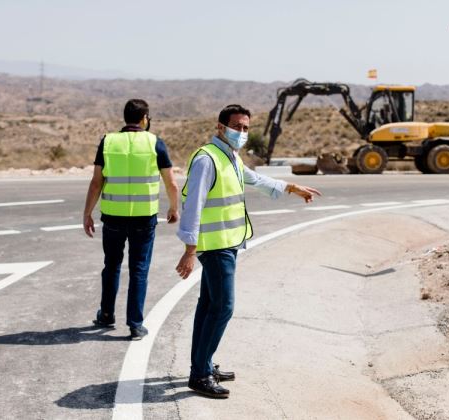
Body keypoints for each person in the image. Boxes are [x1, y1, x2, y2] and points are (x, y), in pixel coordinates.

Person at [176, 104, 321, 398]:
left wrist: (292, 187)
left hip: (227, 242)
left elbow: (257, 179)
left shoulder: (231, 158)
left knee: (208, 307)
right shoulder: (207, 159)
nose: (241, 132)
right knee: (223, 308)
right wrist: (189, 249)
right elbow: (193, 205)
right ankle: (200, 375)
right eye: (236, 127)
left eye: (245, 128)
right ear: (220, 128)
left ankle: (202, 365)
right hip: (215, 246)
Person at [83, 99, 179, 340]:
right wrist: (174, 208)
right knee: (139, 269)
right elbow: (172, 183)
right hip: (143, 219)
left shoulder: (108, 141)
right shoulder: (155, 143)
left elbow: (97, 182)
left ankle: (106, 315)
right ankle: (135, 324)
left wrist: (87, 213)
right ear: (145, 117)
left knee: (112, 265)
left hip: (113, 217)